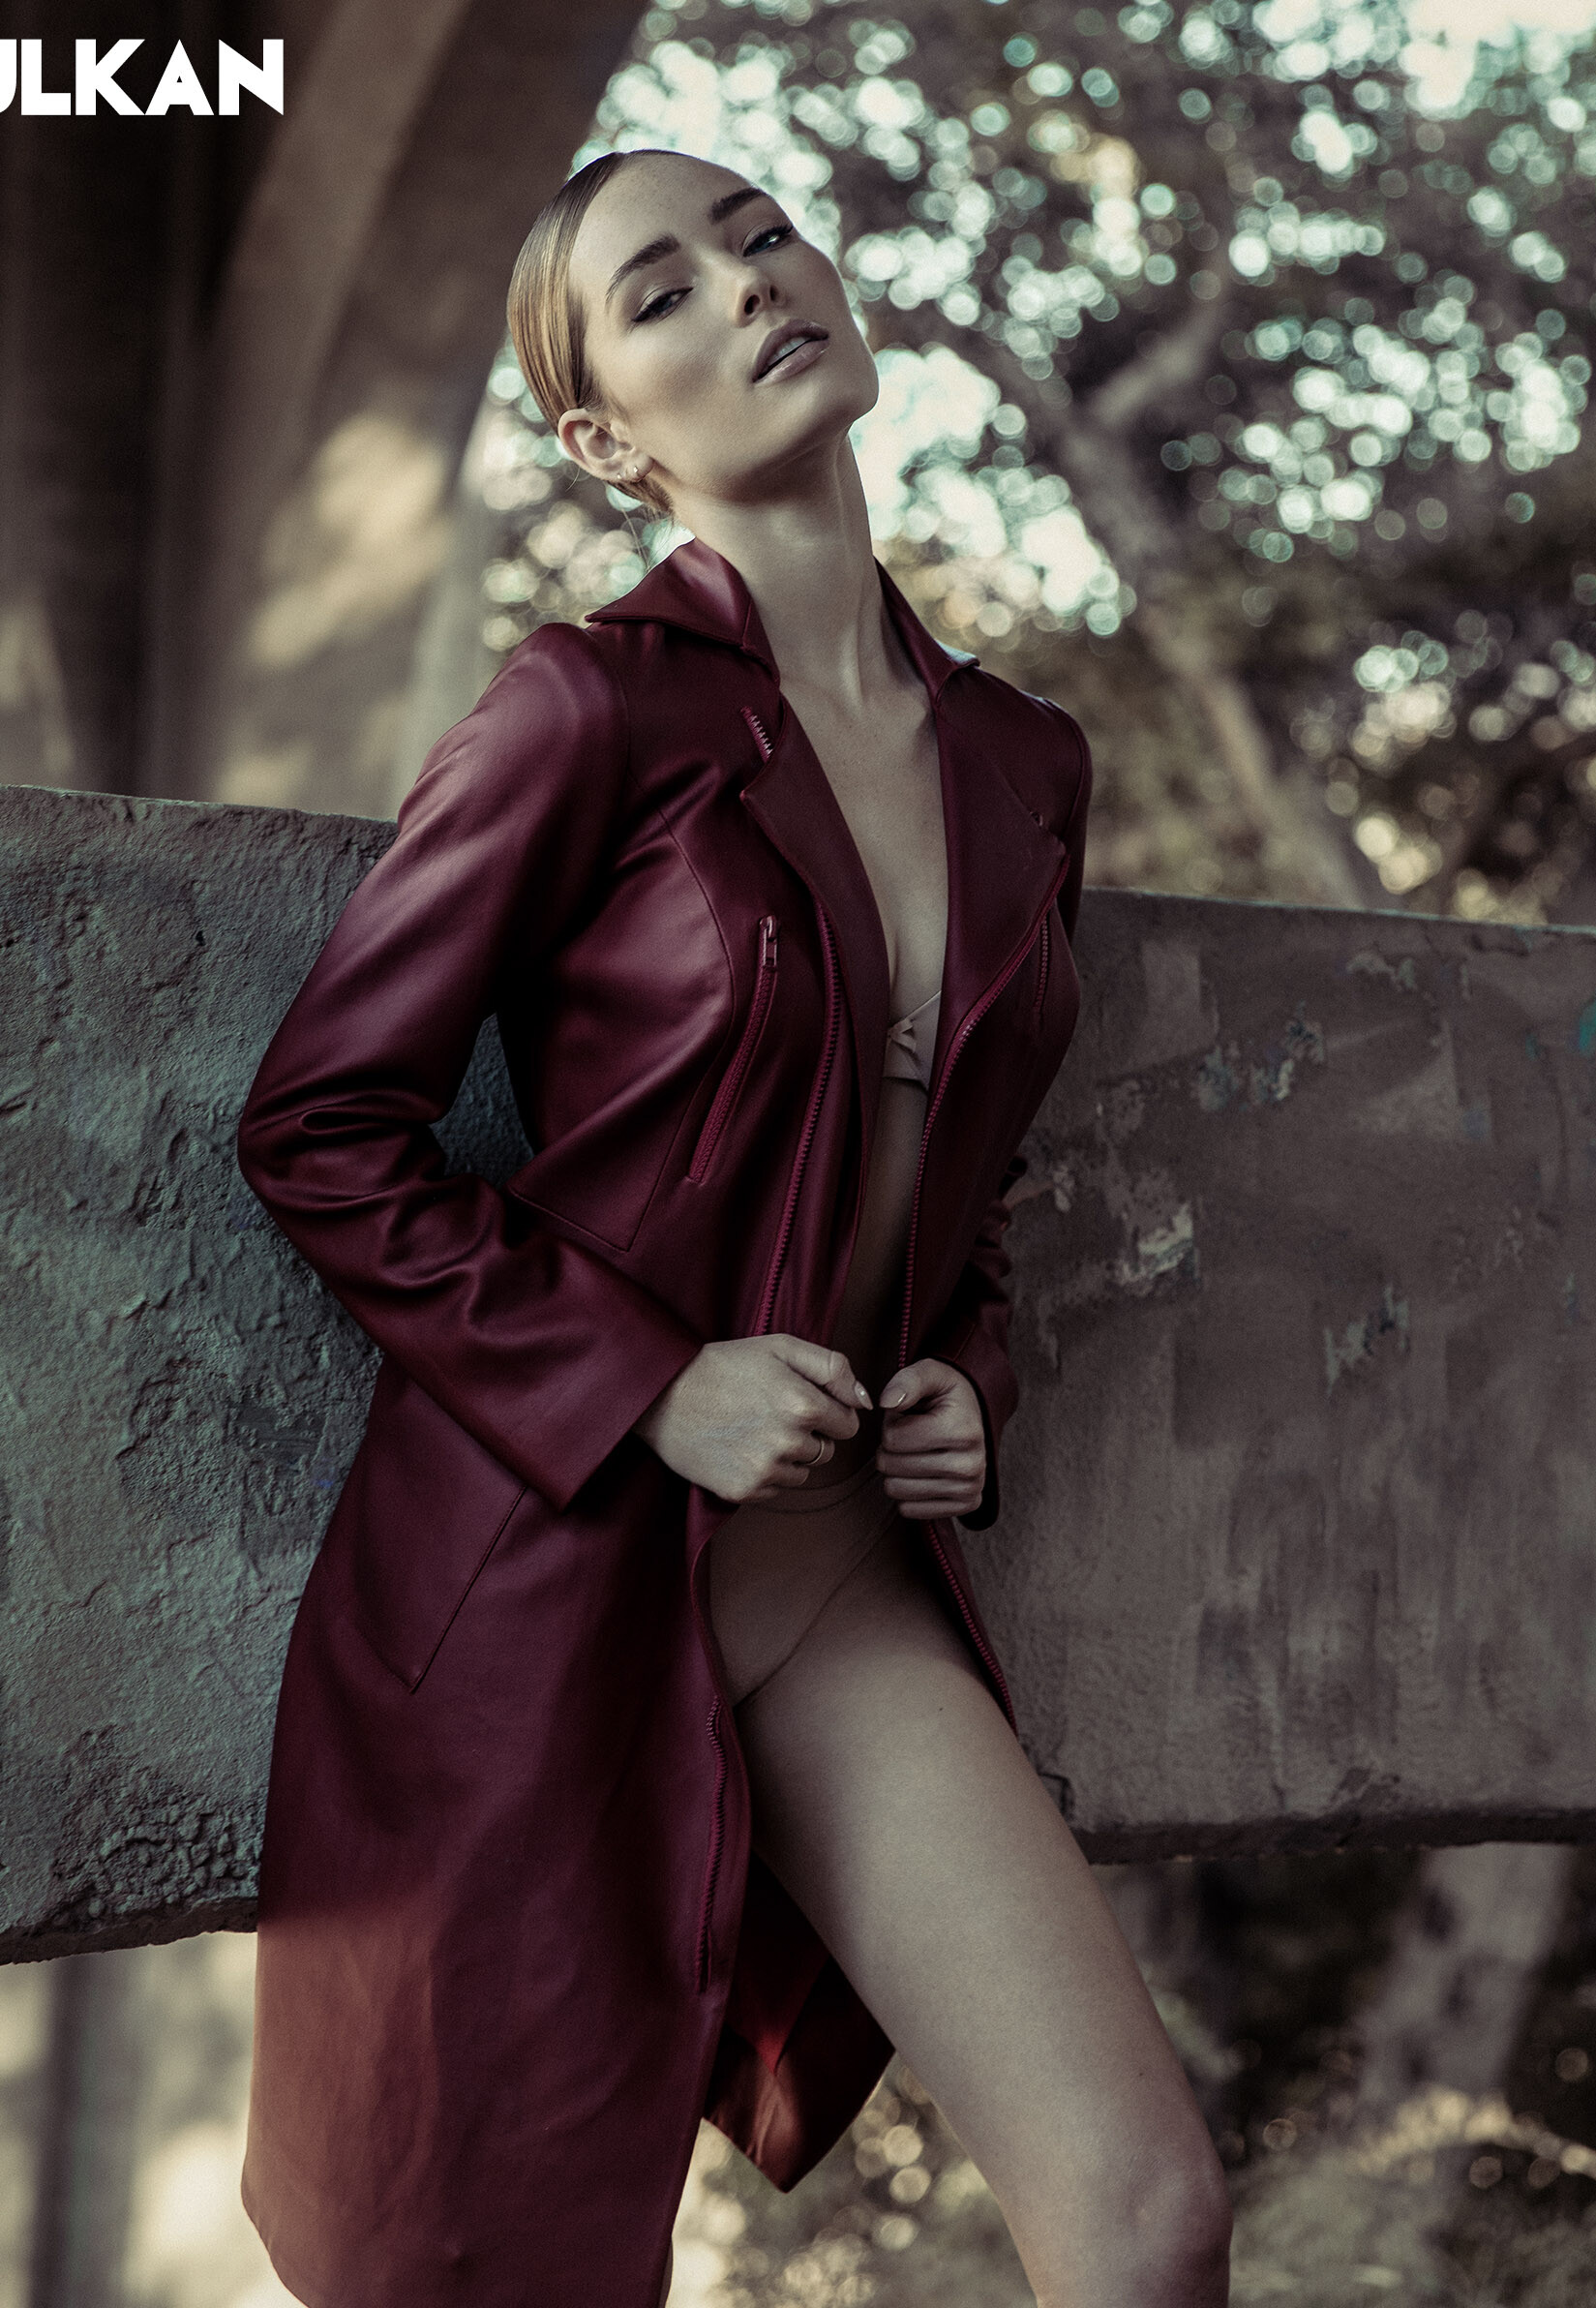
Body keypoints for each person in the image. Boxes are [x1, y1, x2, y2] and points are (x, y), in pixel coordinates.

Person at [233, 144, 1231, 2308]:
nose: (749, 285)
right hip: (552, 1593)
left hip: (833, 1587)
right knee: (494, 2276)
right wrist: (649, 1382)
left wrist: (968, 1367)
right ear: (608, 441)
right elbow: (321, 1125)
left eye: (760, 236)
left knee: (1145, 2217)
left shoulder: (1022, 761)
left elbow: (964, 1156)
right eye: (662, 290)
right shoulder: (583, 708)